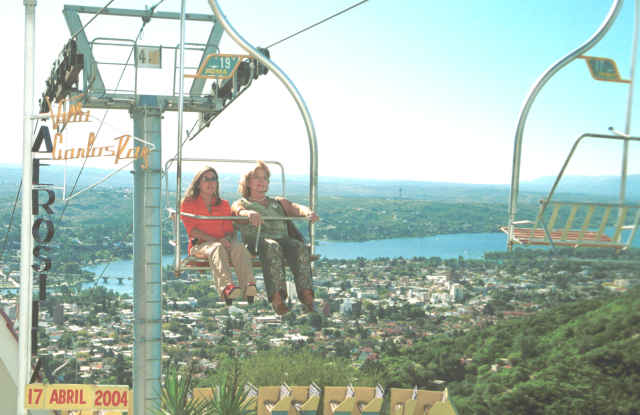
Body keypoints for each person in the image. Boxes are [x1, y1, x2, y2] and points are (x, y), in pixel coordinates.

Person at [231, 161, 318, 315]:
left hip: (282, 239)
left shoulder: (278, 202)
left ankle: (306, 294)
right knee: (272, 246)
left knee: (298, 246)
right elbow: (237, 210)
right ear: (248, 182)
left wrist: (307, 213)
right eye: (256, 177)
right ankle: (277, 298)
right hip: (257, 241)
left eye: (264, 178)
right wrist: (248, 214)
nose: (261, 181)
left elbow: (296, 208)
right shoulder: (243, 203)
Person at [180, 166, 256, 304]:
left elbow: (229, 230)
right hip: (201, 245)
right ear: (198, 184)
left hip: (222, 242)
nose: (211, 183)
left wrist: (227, 239)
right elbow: (193, 231)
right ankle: (226, 288)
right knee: (216, 247)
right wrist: (218, 240)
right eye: (206, 179)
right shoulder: (188, 203)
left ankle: (249, 287)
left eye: (214, 179)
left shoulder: (223, 205)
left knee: (238, 247)